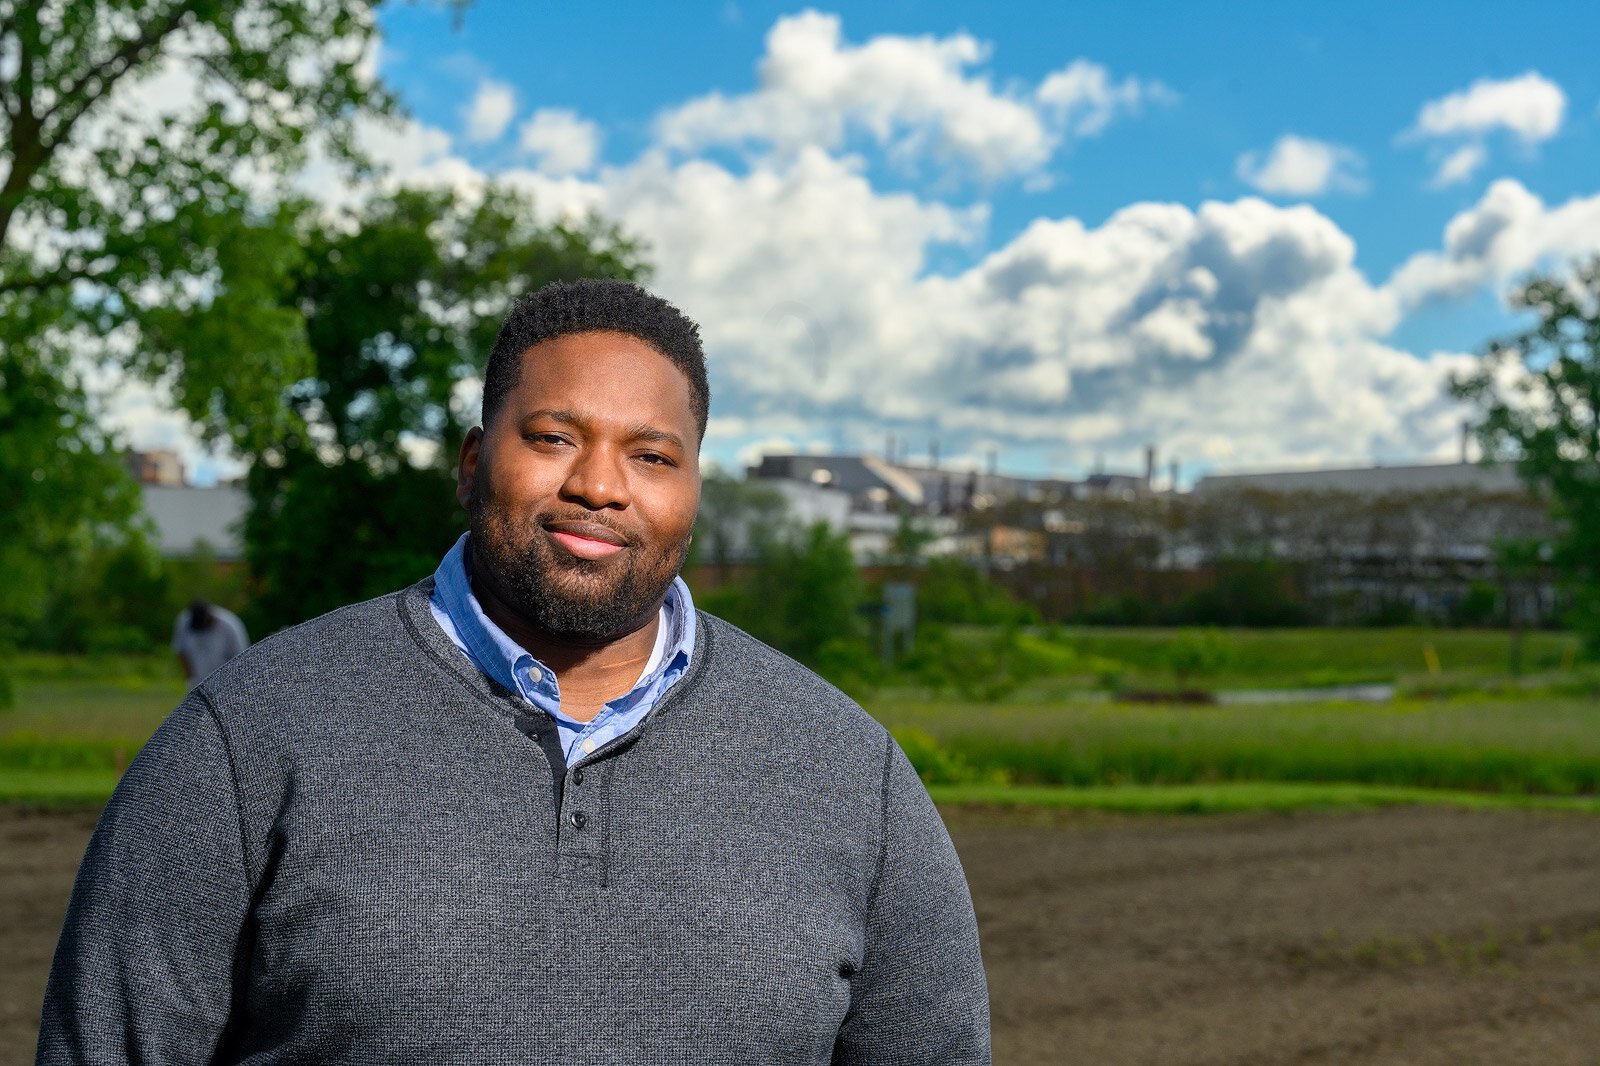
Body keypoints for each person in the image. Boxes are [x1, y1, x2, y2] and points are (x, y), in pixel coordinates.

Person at [37, 279, 990, 1064]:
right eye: (552, 437)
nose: (600, 485)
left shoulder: (850, 775)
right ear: (469, 461)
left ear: (694, 489)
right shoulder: (245, 743)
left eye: (651, 455)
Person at [171, 599, 249, 687]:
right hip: (198, 681)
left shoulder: (230, 625)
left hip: (225, 681)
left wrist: (232, 682)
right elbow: (180, 651)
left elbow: (241, 657)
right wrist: (190, 679)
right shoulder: (184, 621)